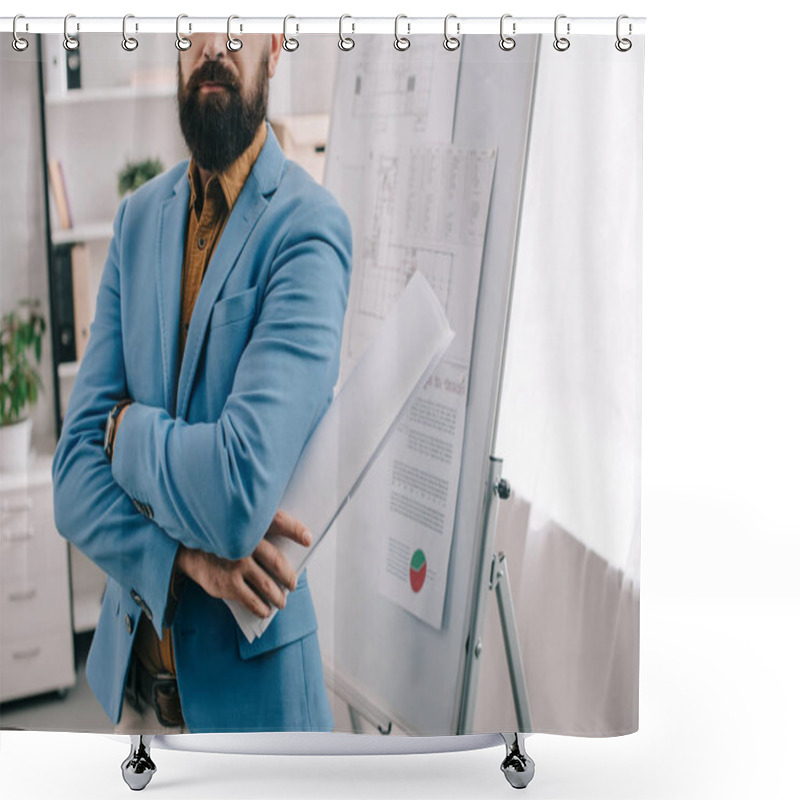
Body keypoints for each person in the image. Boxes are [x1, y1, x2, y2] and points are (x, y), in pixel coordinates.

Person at [51, 31, 352, 734]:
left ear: (276, 45)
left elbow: (235, 497)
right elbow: (70, 481)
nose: (212, 42)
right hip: (135, 701)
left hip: (252, 718)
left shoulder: (308, 230)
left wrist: (123, 432)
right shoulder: (135, 222)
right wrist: (183, 558)